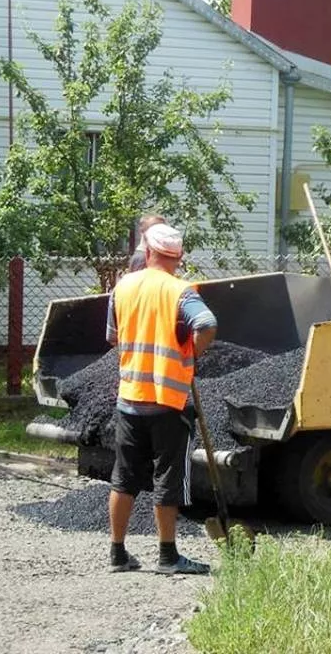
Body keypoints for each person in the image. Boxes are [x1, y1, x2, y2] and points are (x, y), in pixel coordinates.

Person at [105, 222, 216, 574]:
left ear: (149, 252)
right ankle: (168, 556)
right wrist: (191, 352)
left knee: (124, 477)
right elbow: (206, 324)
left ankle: (117, 553)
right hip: (168, 401)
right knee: (167, 478)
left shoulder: (122, 287)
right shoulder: (181, 292)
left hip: (130, 397)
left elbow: (112, 337)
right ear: (178, 257)